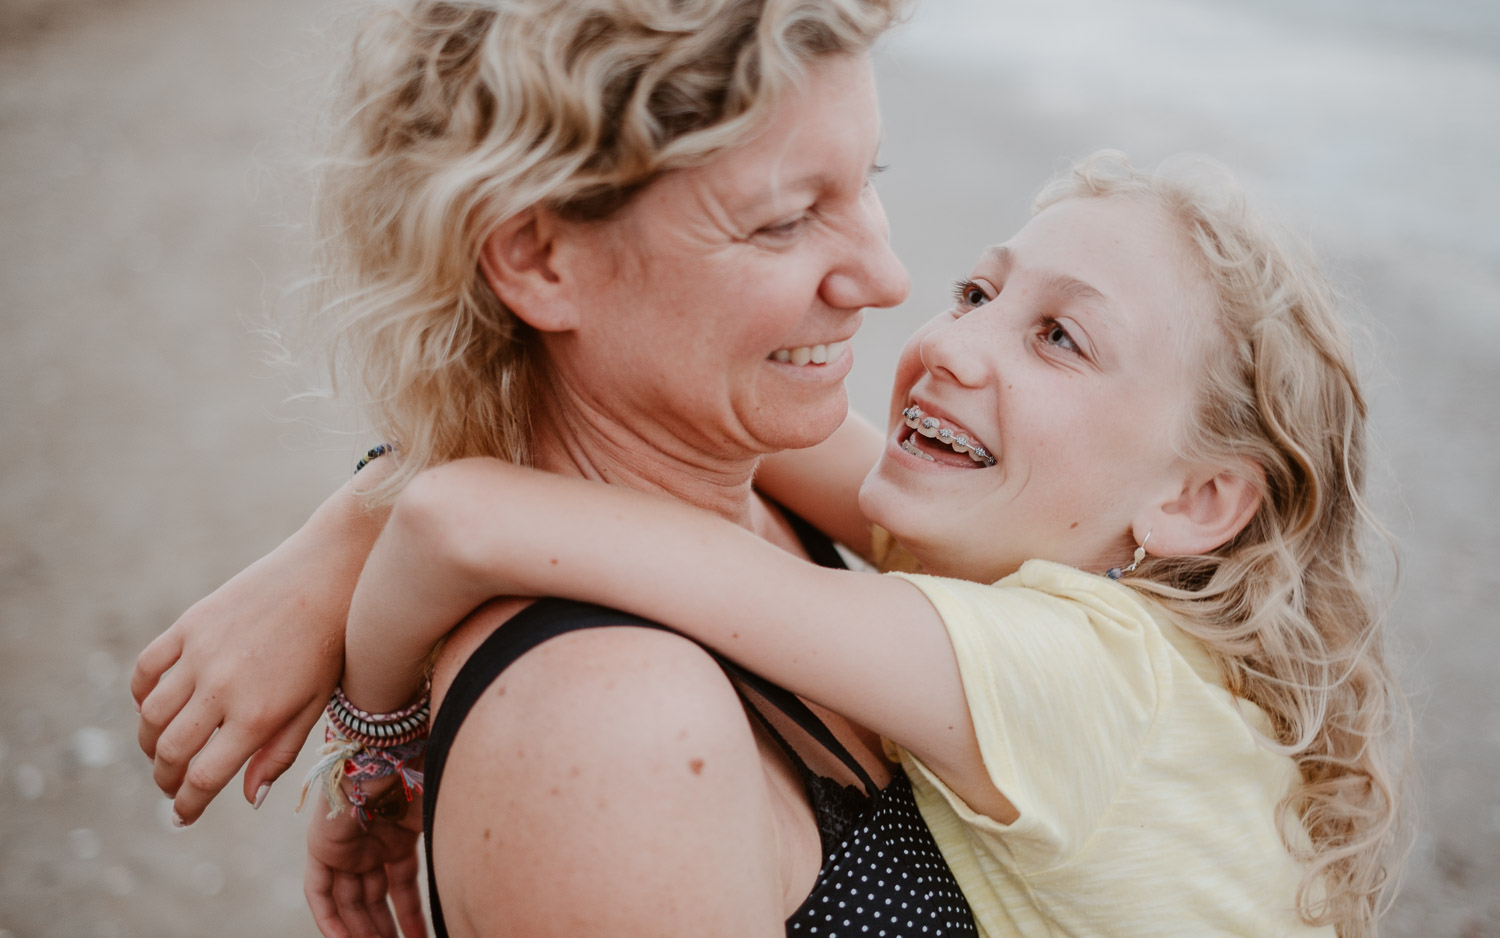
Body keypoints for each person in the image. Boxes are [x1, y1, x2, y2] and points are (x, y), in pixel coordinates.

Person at [331, 151, 1412, 938]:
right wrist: (335, 534)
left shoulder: (1087, 677)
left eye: (1059, 337)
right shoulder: (1047, 563)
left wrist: (378, 754)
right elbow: (684, 417)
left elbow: (460, 520)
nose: (948, 340)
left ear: (1197, 499)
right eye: (980, 293)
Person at [132, 0, 985, 935]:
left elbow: (1045, 555)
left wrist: (367, 528)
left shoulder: (762, 451)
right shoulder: (615, 730)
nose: (888, 274)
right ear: (537, 258)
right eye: (785, 222)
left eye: (870, 176)